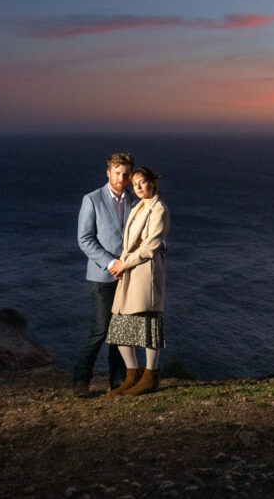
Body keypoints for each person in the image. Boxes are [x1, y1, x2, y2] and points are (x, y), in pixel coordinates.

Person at [72, 152, 134, 398]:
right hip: (102, 275)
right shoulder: (92, 199)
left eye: (126, 173)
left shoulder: (135, 199)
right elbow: (84, 239)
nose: (122, 177)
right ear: (108, 173)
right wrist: (111, 262)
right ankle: (80, 380)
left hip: (129, 275)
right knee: (100, 330)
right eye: (117, 173)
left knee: (123, 329)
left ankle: (118, 380)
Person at [106, 166, 168, 396]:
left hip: (145, 273)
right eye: (135, 184)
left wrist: (124, 263)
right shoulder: (138, 206)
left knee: (148, 324)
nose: (139, 187)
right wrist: (122, 264)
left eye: (143, 182)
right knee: (121, 326)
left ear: (153, 183)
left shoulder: (159, 209)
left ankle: (150, 376)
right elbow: (132, 243)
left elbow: (151, 247)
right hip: (130, 271)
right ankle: (132, 375)